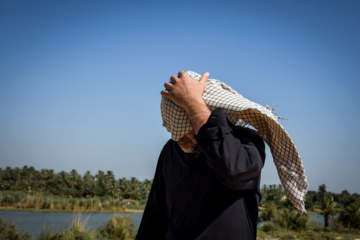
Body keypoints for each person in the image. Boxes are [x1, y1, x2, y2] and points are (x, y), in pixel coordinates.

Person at [135, 71, 266, 240]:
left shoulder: (245, 142)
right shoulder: (171, 151)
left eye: (185, 129)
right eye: (172, 130)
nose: (178, 138)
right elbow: (154, 218)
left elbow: (234, 170)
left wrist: (193, 102)